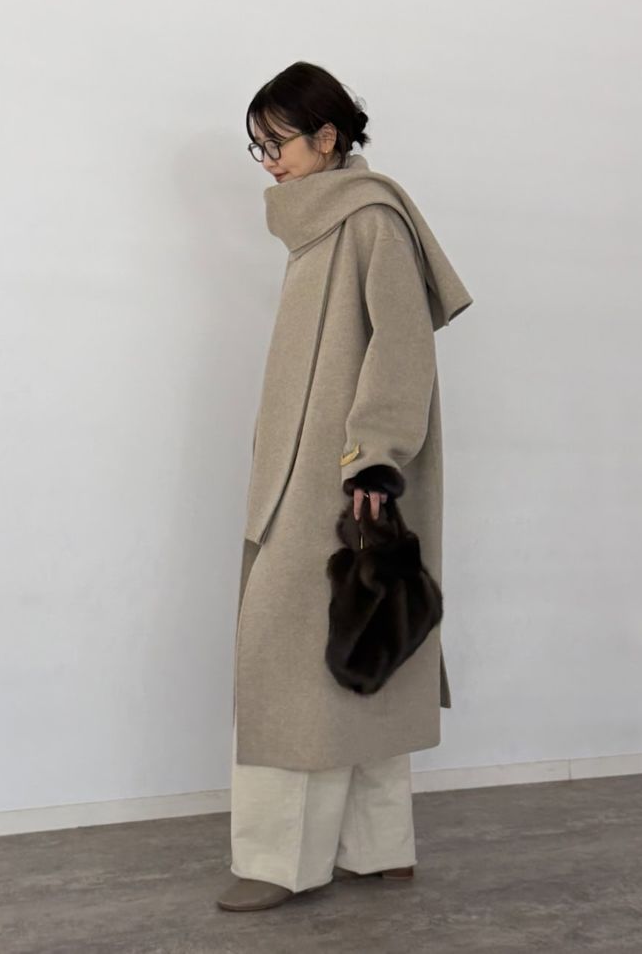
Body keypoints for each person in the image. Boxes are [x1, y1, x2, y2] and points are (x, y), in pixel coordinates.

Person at [217, 61, 473, 912]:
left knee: (295, 656)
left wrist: (376, 457)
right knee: (351, 648)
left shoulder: (369, 219)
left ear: (329, 137)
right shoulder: (319, 224)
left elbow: (402, 342)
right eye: (258, 147)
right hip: (303, 472)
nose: (268, 161)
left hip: (346, 477)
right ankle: (379, 845)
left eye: (278, 143)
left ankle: (279, 861)